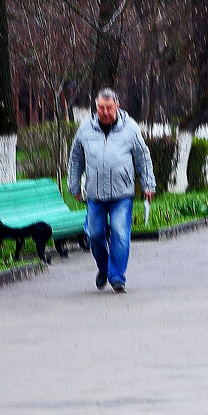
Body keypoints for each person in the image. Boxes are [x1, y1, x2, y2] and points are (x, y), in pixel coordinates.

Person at [68, 88, 155, 294]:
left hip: (121, 193)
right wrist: (73, 185)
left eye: (109, 108)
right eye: (101, 108)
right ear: (96, 107)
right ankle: (104, 267)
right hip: (95, 193)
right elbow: (76, 159)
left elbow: (143, 157)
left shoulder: (130, 128)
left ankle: (117, 277)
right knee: (95, 234)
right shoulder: (85, 128)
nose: (105, 112)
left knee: (120, 234)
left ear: (117, 106)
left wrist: (148, 184)